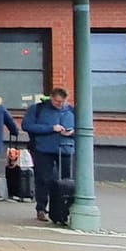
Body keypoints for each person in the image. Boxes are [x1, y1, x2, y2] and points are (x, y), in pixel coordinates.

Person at [21, 87, 76, 222]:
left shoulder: (71, 111)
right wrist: (51, 128)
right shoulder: (38, 109)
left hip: (65, 150)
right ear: (51, 98)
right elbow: (27, 125)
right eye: (57, 102)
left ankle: (62, 210)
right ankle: (41, 208)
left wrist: (72, 132)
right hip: (43, 149)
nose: (60, 105)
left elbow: (83, 127)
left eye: (62, 102)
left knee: (66, 181)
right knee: (43, 179)